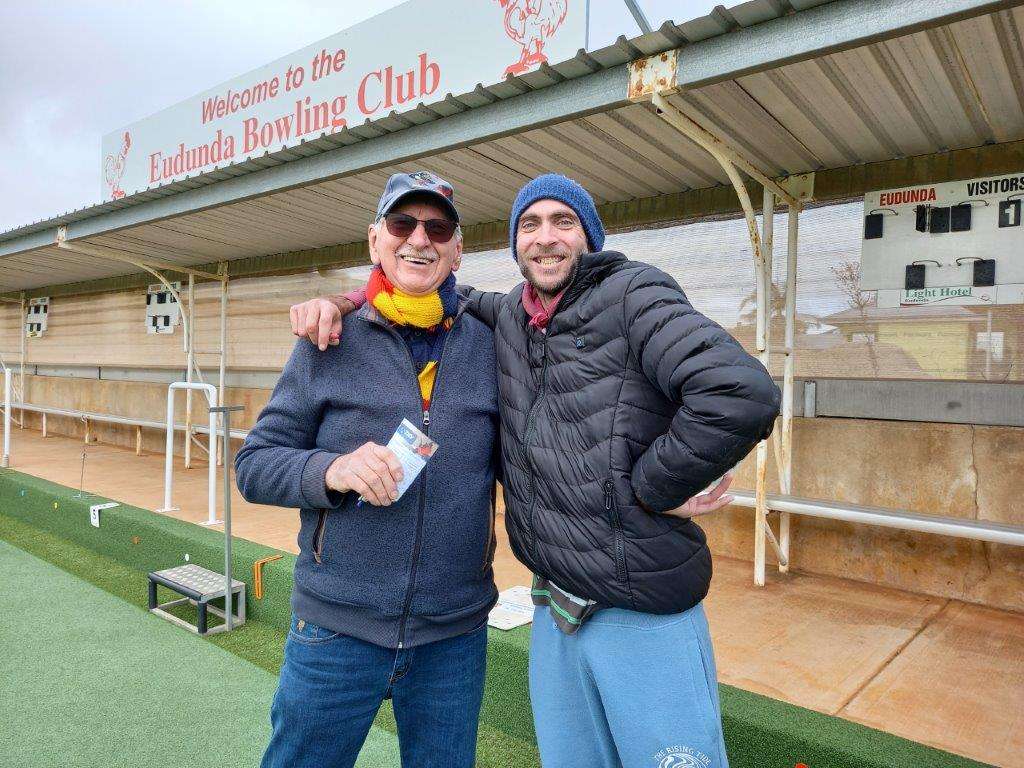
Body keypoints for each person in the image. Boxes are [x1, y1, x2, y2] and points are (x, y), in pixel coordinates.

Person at [291, 174, 782, 767]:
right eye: (530, 225)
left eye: (563, 222)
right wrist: (340, 303)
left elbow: (740, 393)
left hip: (635, 601)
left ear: (590, 237)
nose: (545, 238)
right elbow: (428, 290)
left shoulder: (630, 295)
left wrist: (654, 486)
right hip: (553, 606)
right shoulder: (509, 319)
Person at [237, 171, 501, 768]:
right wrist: (333, 470)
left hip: (453, 636)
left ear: (457, 248)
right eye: (402, 224)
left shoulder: (490, 341)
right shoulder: (329, 340)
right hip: (336, 629)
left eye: (438, 227)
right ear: (375, 240)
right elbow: (254, 465)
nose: (420, 239)